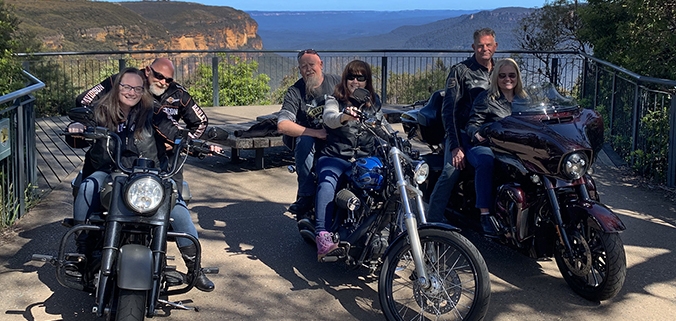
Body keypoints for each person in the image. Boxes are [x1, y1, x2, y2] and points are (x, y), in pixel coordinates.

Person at [69, 67, 215, 292]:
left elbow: (174, 131)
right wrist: (77, 129)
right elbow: (79, 137)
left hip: (148, 176)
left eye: (137, 88)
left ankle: (195, 268)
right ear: (117, 87)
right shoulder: (100, 110)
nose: (131, 92)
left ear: (143, 90)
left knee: (178, 209)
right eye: (126, 87)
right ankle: (81, 252)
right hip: (109, 172)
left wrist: (198, 145)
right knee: (88, 186)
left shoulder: (153, 112)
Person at [76, 57, 209, 195]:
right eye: (159, 76)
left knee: (174, 201)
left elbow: (199, 122)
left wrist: (179, 143)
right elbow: (84, 101)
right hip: (116, 156)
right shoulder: (122, 80)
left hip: (162, 161)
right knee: (88, 193)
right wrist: (87, 126)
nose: (163, 82)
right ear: (147, 70)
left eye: (168, 80)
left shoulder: (177, 93)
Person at [426, 28, 498, 234]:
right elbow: (449, 111)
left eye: (488, 45)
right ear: (473, 47)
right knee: (451, 170)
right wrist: (456, 145)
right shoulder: (461, 71)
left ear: (495, 47)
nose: (485, 49)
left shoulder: (500, 70)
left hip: (493, 133)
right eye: (480, 45)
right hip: (463, 132)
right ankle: (432, 223)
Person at [314, 60, 387, 260]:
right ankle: (322, 236)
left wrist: (398, 141)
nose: (355, 81)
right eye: (351, 77)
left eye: (360, 78)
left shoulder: (374, 102)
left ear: (367, 81)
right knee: (328, 182)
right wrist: (344, 117)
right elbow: (329, 117)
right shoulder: (334, 99)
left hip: (363, 159)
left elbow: (383, 125)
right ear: (345, 80)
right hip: (335, 156)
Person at [465, 58, 527, 236]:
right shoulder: (486, 98)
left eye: (511, 75)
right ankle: (485, 214)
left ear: (517, 77)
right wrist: (478, 133)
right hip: (489, 145)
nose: (507, 79)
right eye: (502, 75)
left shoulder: (525, 99)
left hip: (516, 147)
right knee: (486, 161)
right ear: (496, 78)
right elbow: (472, 124)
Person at [276, 49, 340, 215]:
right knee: (304, 140)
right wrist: (316, 133)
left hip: (339, 136)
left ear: (321, 65)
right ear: (299, 70)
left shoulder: (337, 83)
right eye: (303, 66)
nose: (308, 69)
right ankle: (306, 195)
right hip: (312, 140)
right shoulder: (295, 91)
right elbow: (283, 125)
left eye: (312, 64)